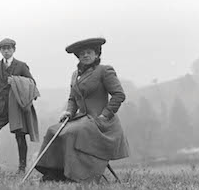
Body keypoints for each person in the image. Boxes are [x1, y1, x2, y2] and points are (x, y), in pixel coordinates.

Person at [34, 37, 129, 182]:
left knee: (73, 133)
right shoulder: (75, 75)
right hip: (82, 118)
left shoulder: (104, 70)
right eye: (82, 53)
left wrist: (105, 115)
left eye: (89, 52)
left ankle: (77, 176)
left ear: (97, 55)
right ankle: (54, 173)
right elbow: (72, 98)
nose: (85, 55)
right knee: (53, 130)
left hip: (102, 123)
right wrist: (69, 112)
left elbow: (119, 95)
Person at [0, 38, 39, 173]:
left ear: (14, 50)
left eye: (9, 48)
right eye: (3, 48)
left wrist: (15, 81)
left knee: (20, 136)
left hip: (17, 109)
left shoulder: (21, 66)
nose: (6, 51)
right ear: (0, 51)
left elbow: (32, 84)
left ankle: (21, 168)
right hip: (0, 108)